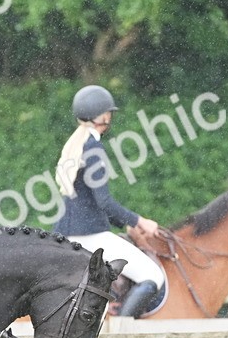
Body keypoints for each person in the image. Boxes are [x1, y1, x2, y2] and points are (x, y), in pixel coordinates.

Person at [53, 85, 166, 320]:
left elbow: (88, 202)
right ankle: (120, 336)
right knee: (153, 276)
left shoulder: (75, 145)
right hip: (90, 235)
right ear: (103, 117)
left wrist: (124, 224)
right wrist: (140, 221)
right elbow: (103, 201)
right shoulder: (93, 148)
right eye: (109, 113)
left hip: (65, 234)